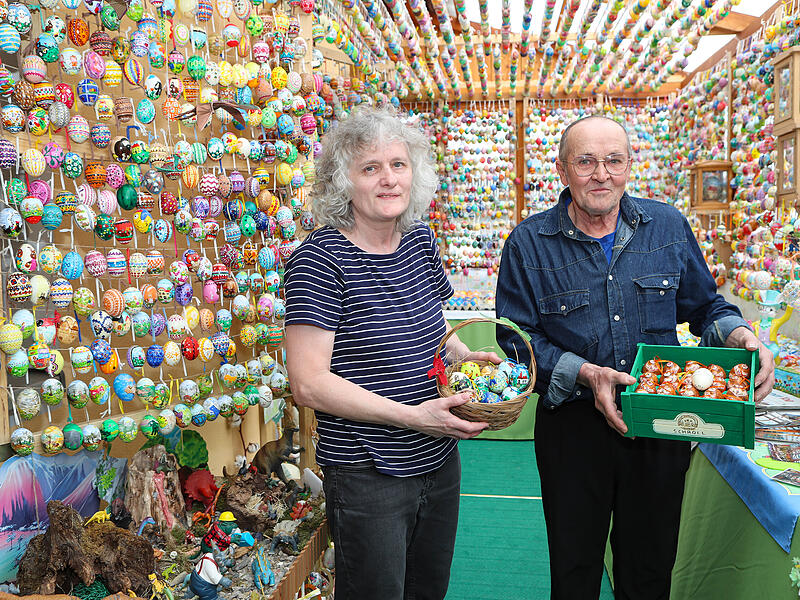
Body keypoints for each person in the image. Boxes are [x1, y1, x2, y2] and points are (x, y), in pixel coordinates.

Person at [495, 115, 774, 599]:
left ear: (629, 166)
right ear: (562, 170)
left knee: (649, 571)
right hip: (573, 430)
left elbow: (706, 305)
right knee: (574, 569)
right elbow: (517, 341)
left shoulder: (666, 227)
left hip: (659, 424)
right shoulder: (528, 243)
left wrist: (739, 334)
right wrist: (585, 373)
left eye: (613, 161)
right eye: (586, 161)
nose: (601, 174)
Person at [283, 106, 500, 600]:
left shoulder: (420, 241)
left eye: (398, 165)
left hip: (439, 460)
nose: (388, 179)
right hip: (369, 473)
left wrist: (461, 354)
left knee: (428, 590)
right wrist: (412, 417)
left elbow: (432, 324)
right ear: (344, 183)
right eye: (370, 168)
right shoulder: (320, 260)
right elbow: (309, 383)